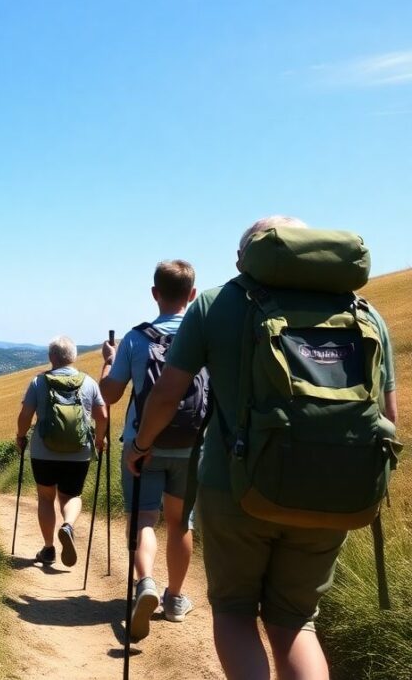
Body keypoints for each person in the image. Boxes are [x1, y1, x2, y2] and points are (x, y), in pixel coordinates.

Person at [130, 216, 399, 679]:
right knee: (296, 622)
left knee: (234, 611)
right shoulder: (364, 313)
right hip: (333, 494)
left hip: (235, 489)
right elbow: (388, 420)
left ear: (245, 258)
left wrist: (141, 443)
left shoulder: (217, 303)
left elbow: (168, 393)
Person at [99, 260, 203, 642]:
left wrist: (109, 363)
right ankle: (175, 598)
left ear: (154, 293)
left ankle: (145, 583)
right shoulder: (204, 337)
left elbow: (109, 395)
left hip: (142, 446)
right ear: (191, 295)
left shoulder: (135, 339)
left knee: (144, 519)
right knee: (180, 522)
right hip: (192, 448)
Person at [16, 335, 108, 567]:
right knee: (72, 496)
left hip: (44, 452)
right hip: (79, 452)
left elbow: (25, 416)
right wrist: (99, 439)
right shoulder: (88, 383)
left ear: (52, 357)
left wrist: (20, 437)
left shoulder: (38, 382)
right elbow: (103, 416)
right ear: (74, 357)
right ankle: (67, 525)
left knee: (46, 498)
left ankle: (48, 550)